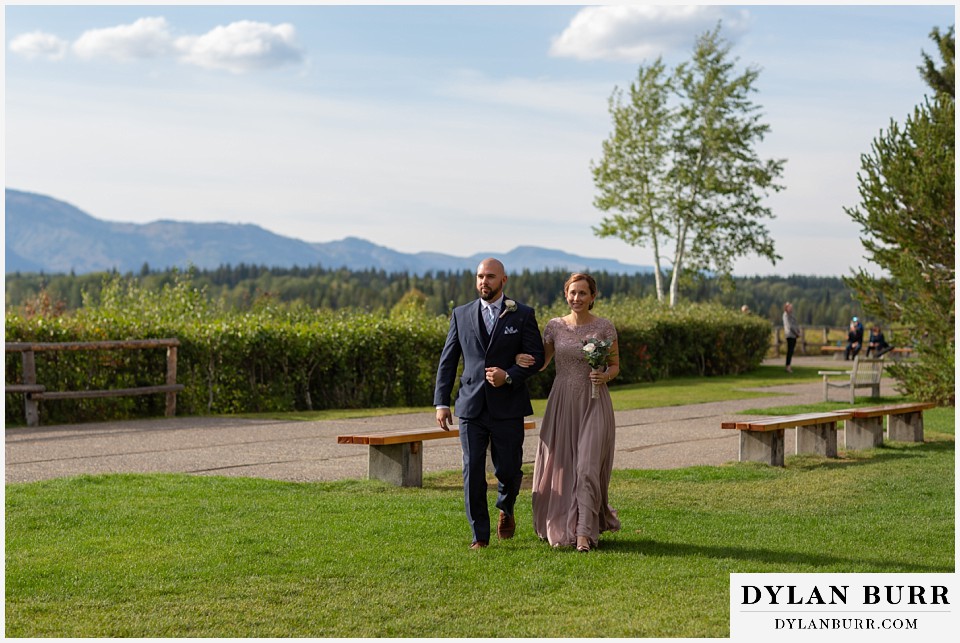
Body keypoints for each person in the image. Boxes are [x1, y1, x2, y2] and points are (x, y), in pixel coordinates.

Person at [434, 258, 545, 550]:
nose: (485, 281)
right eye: (480, 276)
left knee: (509, 469)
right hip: (470, 406)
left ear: (503, 280)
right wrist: (441, 403)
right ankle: (479, 536)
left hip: (508, 406)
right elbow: (448, 362)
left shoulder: (521, 314)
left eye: (491, 277)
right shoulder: (461, 314)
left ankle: (505, 507)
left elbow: (537, 358)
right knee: (472, 470)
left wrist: (509, 375)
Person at [518, 273, 621, 552]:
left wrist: (605, 377)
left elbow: (615, 366)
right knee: (562, 465)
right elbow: (541, 363)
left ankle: (585, 534)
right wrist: (518, 359)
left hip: (594, 402)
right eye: (572, 293)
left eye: (582, 293)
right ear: (566, 294)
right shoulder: (554, 326)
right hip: (562, 402)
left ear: (593, 296)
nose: (576, 298)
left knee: (587, 467)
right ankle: (565, 525)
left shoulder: (604, 327)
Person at [782, 302, 800, 373]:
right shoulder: (786, 315)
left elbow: (795, 324)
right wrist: (796, 333)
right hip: (790, 335)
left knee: (791, 351)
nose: (791, 309)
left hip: (794, 335)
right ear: (786, 308)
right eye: (790, 307)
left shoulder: (792, 315)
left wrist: (798, 331)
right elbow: (790, 326)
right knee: (789, 351)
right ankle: (787, 366)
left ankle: (789, 365)